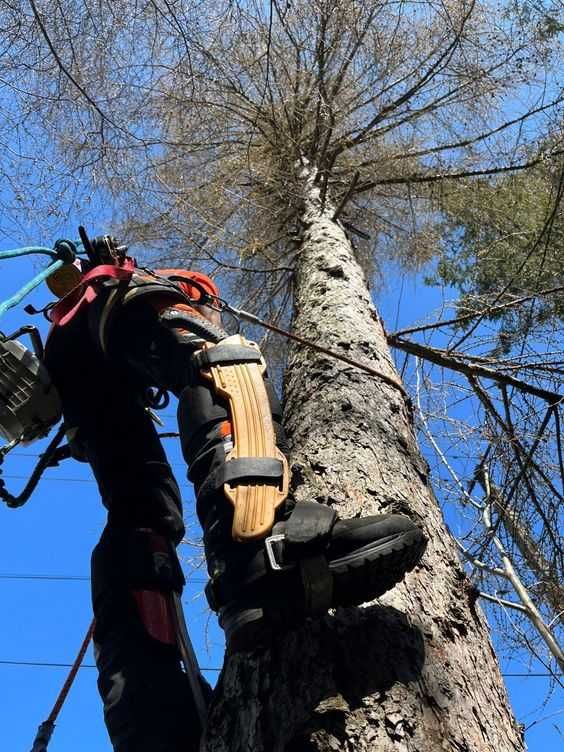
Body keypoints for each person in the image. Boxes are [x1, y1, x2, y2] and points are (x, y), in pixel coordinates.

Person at [43, 242, 427, 752]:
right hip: (106, 318)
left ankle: (154, 724)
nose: (210, 310)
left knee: (141, 516)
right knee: (223, 361)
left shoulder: (81, 313)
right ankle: (257, 544)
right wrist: (178, 298)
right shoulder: (142, 287)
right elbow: (187, 327)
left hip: (77, 374)